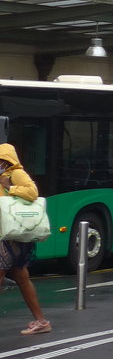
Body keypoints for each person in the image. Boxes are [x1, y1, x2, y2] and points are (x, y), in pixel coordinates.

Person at [0, 142, 51, 335]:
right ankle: (41, 321)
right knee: (22, 277)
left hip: (10, 236)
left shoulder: (16, 174)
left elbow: (32, 192)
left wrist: (10, 187)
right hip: (6, 233)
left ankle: (42, 321)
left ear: (7, 160)